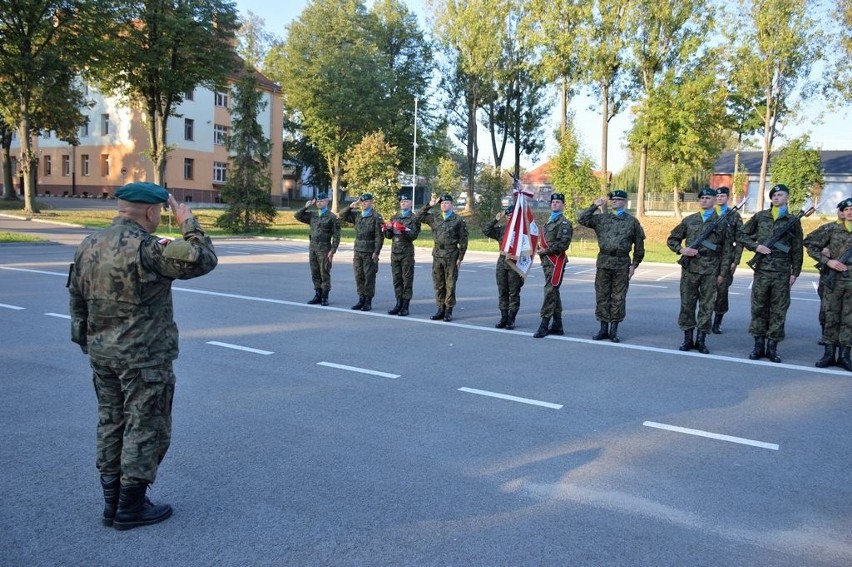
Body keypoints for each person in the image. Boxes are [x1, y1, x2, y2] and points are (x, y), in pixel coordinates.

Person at [67, 182, 217, 530]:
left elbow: (76, 298)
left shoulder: (88, 245)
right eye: (160, 213)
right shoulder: (147, 249)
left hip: (103, 354)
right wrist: (187, 221)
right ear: (150, 212)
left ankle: (111, 503)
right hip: (144, 357)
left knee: (111, 421)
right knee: (145, 425)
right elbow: (204, 258)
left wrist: (86, 340)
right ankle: (131, 506)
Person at [738, 184, 803, 363]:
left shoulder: (793, 220)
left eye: (780, 195)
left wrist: (795, 272)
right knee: (759, 308)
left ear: (787, 198)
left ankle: (772, 347)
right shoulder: (761, 217)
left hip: (782, 273)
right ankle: (758, 345)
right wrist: (755, 246)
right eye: (774, 195)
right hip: (762, 271)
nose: (776, 197)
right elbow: (741, 235)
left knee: (779, 310)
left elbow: (797, 248)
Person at [666, 187, 732, 354]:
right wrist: (682, 250)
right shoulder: (689, 220)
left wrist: (723, 273)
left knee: (706, 306)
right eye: (702, 198)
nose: (704, 200)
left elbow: (726, 251)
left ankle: (701, 340)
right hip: (690, 269)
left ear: (714, 200)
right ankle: (688, 339)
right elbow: (672, 239)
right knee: (687, 304)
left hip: (711, 270)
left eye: (708, 198)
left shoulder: (723, 222)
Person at [578, 190, 645, 343]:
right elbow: (582, 219)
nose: (615, 201)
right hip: (604, 262)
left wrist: (634, 264)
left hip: (622, 263)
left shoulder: (632, 222)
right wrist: (595, 205)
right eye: (613, 199)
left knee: (618, 297)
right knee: (602, 295)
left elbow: (639, 246)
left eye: (619, 199)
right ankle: (603, 328)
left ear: (625, 202)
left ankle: (614, 329)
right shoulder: (602, 219)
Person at [804, 197, 852, 370]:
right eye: (847, 209)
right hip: (834, 280)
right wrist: (827, 261)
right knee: (831, 316)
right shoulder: (832, 229)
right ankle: (829, 354)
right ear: (843, 212)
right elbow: (809, 243)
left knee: (849, 319)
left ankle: (845, 356)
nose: (849, 212)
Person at [415, 193, 468, 322]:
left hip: (451, 254)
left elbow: (463, 240)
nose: (444, 205)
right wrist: (429, 205)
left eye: (447, 203)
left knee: (450, 284)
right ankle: (440, 308)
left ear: (452, 205)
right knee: (438, 283)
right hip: (438, 254)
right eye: (442, 203)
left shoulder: (458, 220)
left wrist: (460, 257)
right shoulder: (435, 218)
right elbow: (418, 216)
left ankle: (448, 310)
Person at [533, 193, 573, 338]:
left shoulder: (564, 223)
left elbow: (563, 244)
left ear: (563, 205)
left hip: (556, 262)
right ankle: (557, 325)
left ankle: (544, 324)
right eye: (553, 202)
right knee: (553, 292)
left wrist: (545, 250)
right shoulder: (549, 222)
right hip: (547, 262)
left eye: (558, 202)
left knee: (549, 292)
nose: (555, 204)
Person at [483, 204, 524, 330]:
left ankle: (511, 319)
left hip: (515, 264)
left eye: (512, 215)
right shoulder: (502, 229)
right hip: (502, 263)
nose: (509, 217)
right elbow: (486, 230)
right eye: (508, 215)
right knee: (502, 292)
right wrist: (496, 219)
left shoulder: (522, 231)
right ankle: (504, 317)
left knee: (514, 293)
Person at [295, 192, 340, 306]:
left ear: (327, 202)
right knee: (315, 272)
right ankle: (317, 294)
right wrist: (306, 206)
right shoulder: (313, 215)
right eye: (318, 201)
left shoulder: (332, 217)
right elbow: (297, 216)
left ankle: (325, 296)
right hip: (313, 248)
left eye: (322, 201)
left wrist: (333, 250)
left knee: (324, 272)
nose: (319, 203)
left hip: (325, 248)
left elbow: (336, 235)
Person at [341, 192, 384, 311]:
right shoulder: (358, 215)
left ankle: (368, 301)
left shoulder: (376, 217)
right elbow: (342, 215)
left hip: (370, 252)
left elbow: (379, 237)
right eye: (362, 201)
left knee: (369, 277)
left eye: (366, 201)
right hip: (358, 250)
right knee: (359, 275)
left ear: (371, 202)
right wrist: (351, 206)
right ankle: (361, 299)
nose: (364, 203)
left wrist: (376, 252)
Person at [382, 191, 421, 316]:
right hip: (395, 252)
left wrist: (403, 230)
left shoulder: (414, 218)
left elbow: (414, 236)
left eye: (406, 201)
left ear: (411, 203)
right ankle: (398, 303)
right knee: (397, 279)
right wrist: (387, 229)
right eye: (401, 201)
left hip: (406, 253)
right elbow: (389, 236)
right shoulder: (395, 217)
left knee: (407, 279)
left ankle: (405, 305)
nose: (403, 203)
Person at [711, 186, 744, 334]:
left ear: (728, 198)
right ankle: (705, 320)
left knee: (722, 293)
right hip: (709, 259)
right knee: (706, 292)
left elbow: (740, 241)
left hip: (726, 258)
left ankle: (717, 322)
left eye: (722, 196)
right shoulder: (709, 214)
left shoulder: (734, 216)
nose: (719, 199)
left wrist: (735, 261)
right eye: (717, 197)